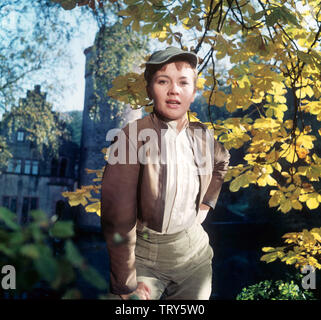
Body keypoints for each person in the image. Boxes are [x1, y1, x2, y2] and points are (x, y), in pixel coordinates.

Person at [101, 46, 230, 300]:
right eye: (163, 81)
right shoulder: (131, 137)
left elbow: (222, 161)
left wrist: (206, 204)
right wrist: (125, 284)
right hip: (145, 256)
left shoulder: (202, 136)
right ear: (150, 89)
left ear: (193, 93)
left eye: (184, 82)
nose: (174, 90)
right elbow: (117, 218)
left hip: (194, 254)